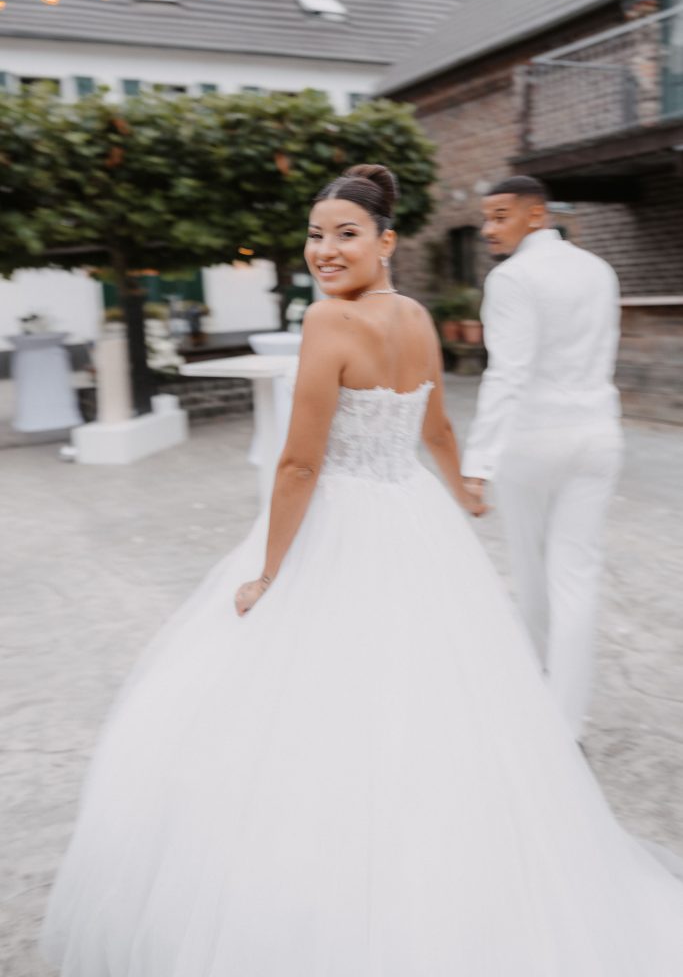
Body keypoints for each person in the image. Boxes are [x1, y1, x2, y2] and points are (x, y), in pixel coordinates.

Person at [42, 165, 683, 977]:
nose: (325, 250)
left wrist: (267, 575)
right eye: (315, 235)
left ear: (385, 241)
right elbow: (438, 426)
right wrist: (459, 491)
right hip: (412, 515)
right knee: (433, 701)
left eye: (345, 233)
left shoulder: (327, 326)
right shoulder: (414, 317)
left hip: (344, 517)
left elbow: (299, 465)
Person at [462, 175, 623, 740]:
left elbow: (508, 373)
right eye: (486, 217)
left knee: (534, 578)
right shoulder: (599, 271)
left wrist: (477, 461)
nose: (488, 228)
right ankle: (568, 726)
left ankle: (535, 711)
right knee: (577, 579)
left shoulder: (512, 279)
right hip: (597, 435)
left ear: (536, 215)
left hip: (533, 440)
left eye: (500, 216)